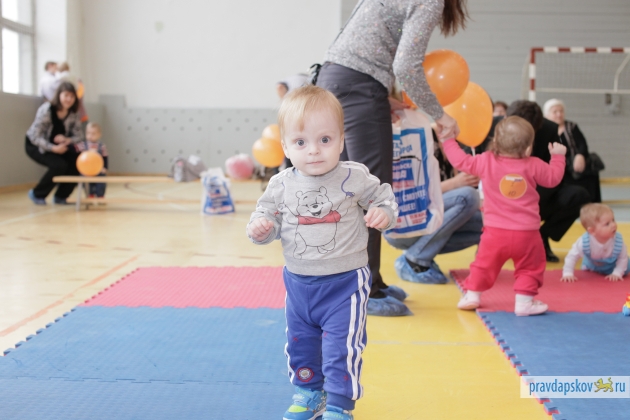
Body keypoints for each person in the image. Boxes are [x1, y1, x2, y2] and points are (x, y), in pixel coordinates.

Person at [246, 86, 398, 420]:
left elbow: (383, 197)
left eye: (325, 140)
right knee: (301, 343)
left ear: (341, 140)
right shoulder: (281, 184)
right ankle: (309, 394)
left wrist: (383, 213)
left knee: (341, 347)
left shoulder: (354, 176)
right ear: (285, 146)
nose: (314, 150)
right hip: (299, 285)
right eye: (301, 142)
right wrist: (261, 228)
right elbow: (266, 216)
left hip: (345, 284)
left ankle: (339, 406)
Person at [316, 0, 468, 316]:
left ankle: (368, 280)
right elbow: (407, 66)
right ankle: (363, 289)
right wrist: (439, 115)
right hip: (358, 86)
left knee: (353, 191)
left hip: (335, 79)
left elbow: (357, 41)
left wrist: (382, 96)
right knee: (373, 194)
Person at [443, 116, 566, 316]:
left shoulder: (486, 161)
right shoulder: (533, 164)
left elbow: (460, 161)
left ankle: (472, 295)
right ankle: (524, 302)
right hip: (527, 234)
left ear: (495, 142)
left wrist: (448, 141)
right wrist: (558, 157)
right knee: (530, 268)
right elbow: (553, 178)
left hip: (494, 233)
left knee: (483, 265)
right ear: (528, 148)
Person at [385, 131, 483, 283]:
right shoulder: (418, 137)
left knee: (487, 224)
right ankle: (416, 258)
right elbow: (407, 192)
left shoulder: (455, 145)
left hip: (430, 218)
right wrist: (455, 183)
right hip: (403, 222)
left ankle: (420, 254)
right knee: (467, 196)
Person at [506, 100, 591, 263]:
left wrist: (532, 196)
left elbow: (554, 172)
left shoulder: (549, 129)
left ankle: (542, 236)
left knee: (579, 195)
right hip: (503, 193)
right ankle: (493, 241)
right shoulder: (493, 127)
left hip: (536, 191)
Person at [25, 81, 83, 205]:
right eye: (66, 95)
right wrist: (53, 148)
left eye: (72, 96)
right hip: (36, 145)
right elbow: (35, 136)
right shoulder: (46, 109)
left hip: (60, 147)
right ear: (59, 95)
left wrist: (67, 139)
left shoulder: (73, 113)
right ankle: (37, 193)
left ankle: (61, 196)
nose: (69, 99)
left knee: (77, 161)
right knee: (59, 165)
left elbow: (79, 136)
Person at [543, 98, 602, 202]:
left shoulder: (571, 127)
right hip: (556, 165)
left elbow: (582, 144)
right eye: (555, 112)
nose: (559, 114)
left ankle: (591, 202)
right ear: (547, 114)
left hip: (574, 165)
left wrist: (580, 156)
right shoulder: (544, 129)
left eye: (561, 111)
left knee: (590, 173)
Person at [561, 203, 629, 282]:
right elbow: (572, 256)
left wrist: (617, 273)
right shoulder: (584, 242)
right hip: (591, 266)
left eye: (613, 220)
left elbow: (622, 258)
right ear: (592, 231)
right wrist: (568, 273)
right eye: (607, 224)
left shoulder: (618, 241)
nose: (613, 225)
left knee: (627, 266)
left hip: (613, 267)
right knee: (586, 273)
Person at [75, 122, 108, 198]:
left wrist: (105, 167)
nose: (90, 136)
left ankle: (100, 195)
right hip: (86, 170)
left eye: (93, 134)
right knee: (86, 182)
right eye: (88, 133)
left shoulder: (101, 146)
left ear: (99, 135)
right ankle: (90, 194)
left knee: (101, 182)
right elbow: (74, 149)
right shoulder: (83, 145)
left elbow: (105, 157)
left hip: (98, 169)